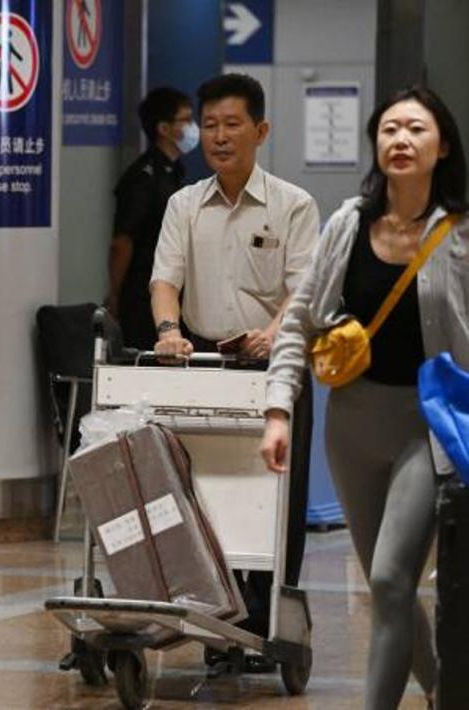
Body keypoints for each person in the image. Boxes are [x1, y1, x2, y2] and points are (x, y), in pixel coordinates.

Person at [261, 85, 469, 709]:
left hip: (427, 425)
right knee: (393, 592)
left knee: (387, 576)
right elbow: (300, 321)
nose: (400, 141)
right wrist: (277, 408)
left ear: (443, 147)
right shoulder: (348, 224)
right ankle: (443, 692)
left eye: (415, 130)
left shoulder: (460, 234)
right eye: (389, 130)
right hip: (351, 424)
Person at [150, 73, 319, 667]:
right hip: (204, 361)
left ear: (261, 130)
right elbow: (165, 279)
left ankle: (272, 623)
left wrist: (274, 333)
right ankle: (223, 624)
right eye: (211, 126)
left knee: (275, 502)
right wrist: (169, 332)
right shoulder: (183, 204)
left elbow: (304, 292)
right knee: (208, 497)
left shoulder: (294, 205)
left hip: (276, 366)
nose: (219, 137)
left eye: (233, 124)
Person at [106, 87, 197, 350]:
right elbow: (122, 241)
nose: (193, 128)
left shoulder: (174, 173)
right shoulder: (142, 178)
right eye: (186, 120)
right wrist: (115, 294)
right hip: (142, 293)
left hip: (175, 289)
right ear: (164, 129)